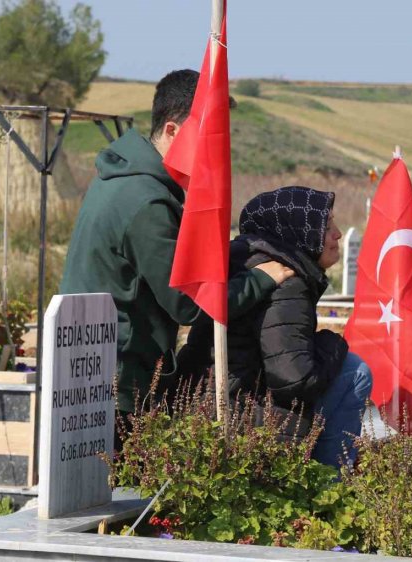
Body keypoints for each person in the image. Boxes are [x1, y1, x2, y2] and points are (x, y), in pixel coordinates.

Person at [59, 69, 293, 421]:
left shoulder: (125, 179)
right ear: (172, 130)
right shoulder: (148, 203)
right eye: (209, 136)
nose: (217, 151)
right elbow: (190, 304)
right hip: (120, 387)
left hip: (93, 372)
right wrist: (261, 278)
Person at [183, 186, 373, 468]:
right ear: (299, 230)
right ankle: (328, 488)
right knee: (356, 372)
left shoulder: (244, 262)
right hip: (240, 417)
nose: (338, 233)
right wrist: (334, 346)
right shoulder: (287, 282)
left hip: (201, 406)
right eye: (327, 225)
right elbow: (295, 380)